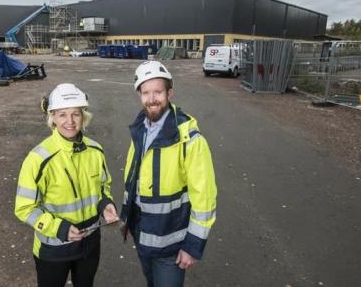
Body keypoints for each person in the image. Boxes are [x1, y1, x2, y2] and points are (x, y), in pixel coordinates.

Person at [119, 61, 217, 286]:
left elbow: (205, 200)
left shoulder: (189, 139)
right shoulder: (140, 130)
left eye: (158, 92)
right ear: (139, 95)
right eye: (146, 93)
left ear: (169, 93)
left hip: (171, 245)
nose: (151, 99)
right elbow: (133, 180)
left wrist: (192, 247)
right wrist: (127, 219)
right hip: (144, 237)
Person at [14, 83, 119, 287]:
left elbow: (103, 186)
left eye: (75, 114)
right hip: (53, 249)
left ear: (83, 116)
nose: (70, 122)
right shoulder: (38, 158)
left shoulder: (96, 150)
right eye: (62, 115)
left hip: (89, 244)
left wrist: (105, 204)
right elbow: (24, 208)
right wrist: (58, 228)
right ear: (52, 117)